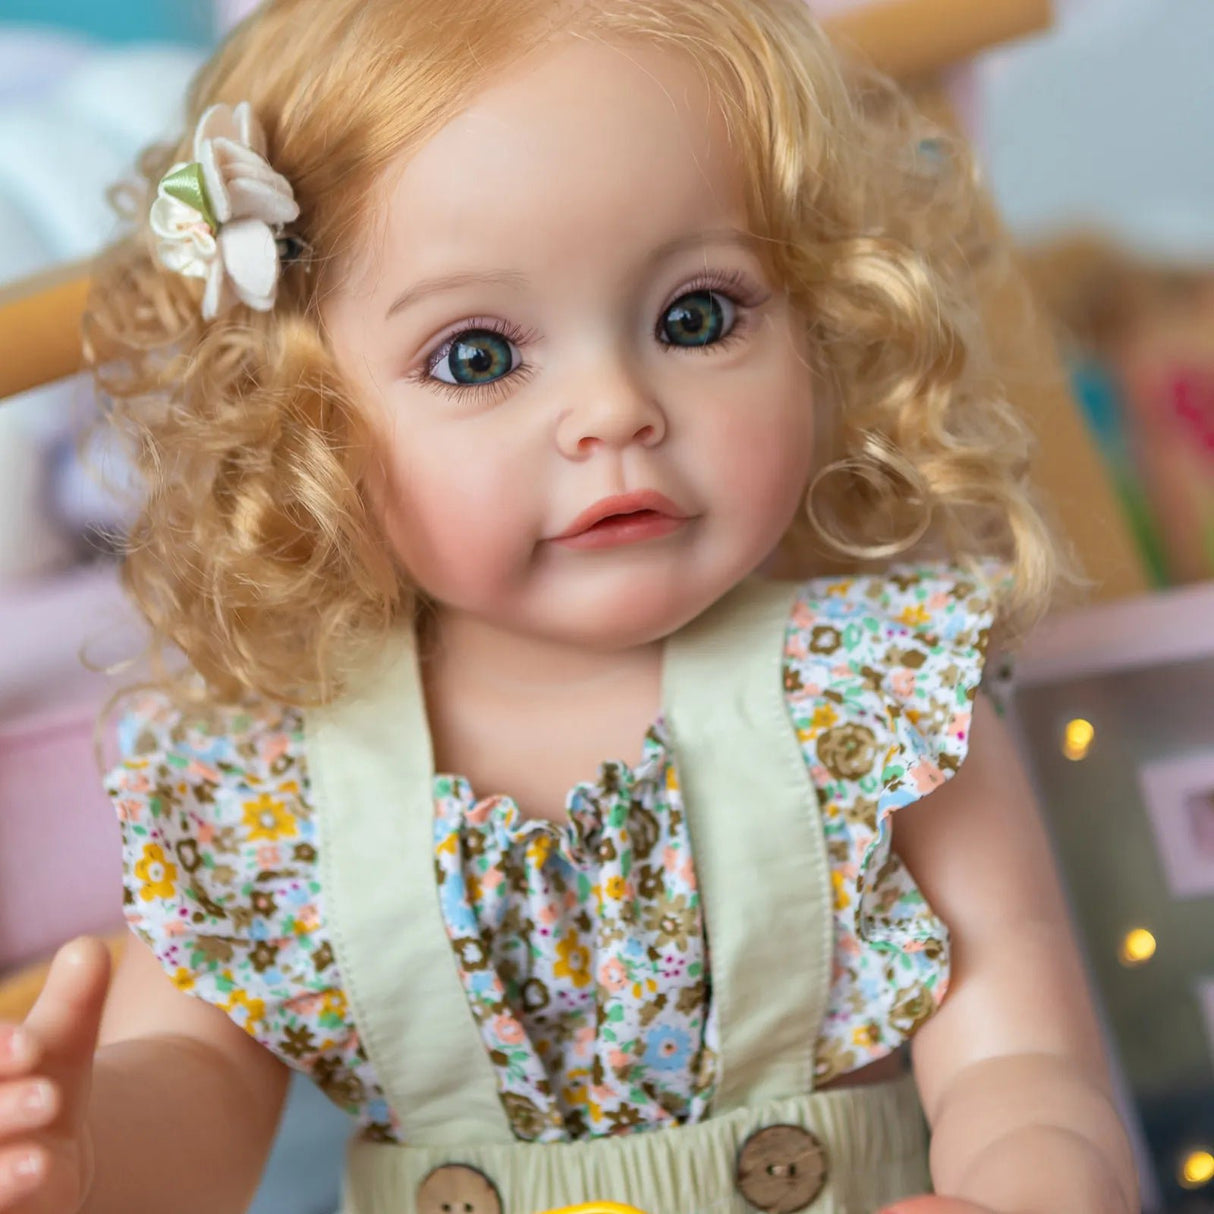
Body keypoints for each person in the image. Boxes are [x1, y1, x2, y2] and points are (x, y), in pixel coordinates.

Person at [0, 1, 1138, 1211]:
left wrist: (1027, 1185)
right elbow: (191, 1087)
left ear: (818, 318)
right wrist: (88, 1150)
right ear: (307, 420)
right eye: (477, 356)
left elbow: (1021, 1062)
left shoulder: (883, 694)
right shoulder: (258, 775)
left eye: (693, 316)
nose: (613, 406)